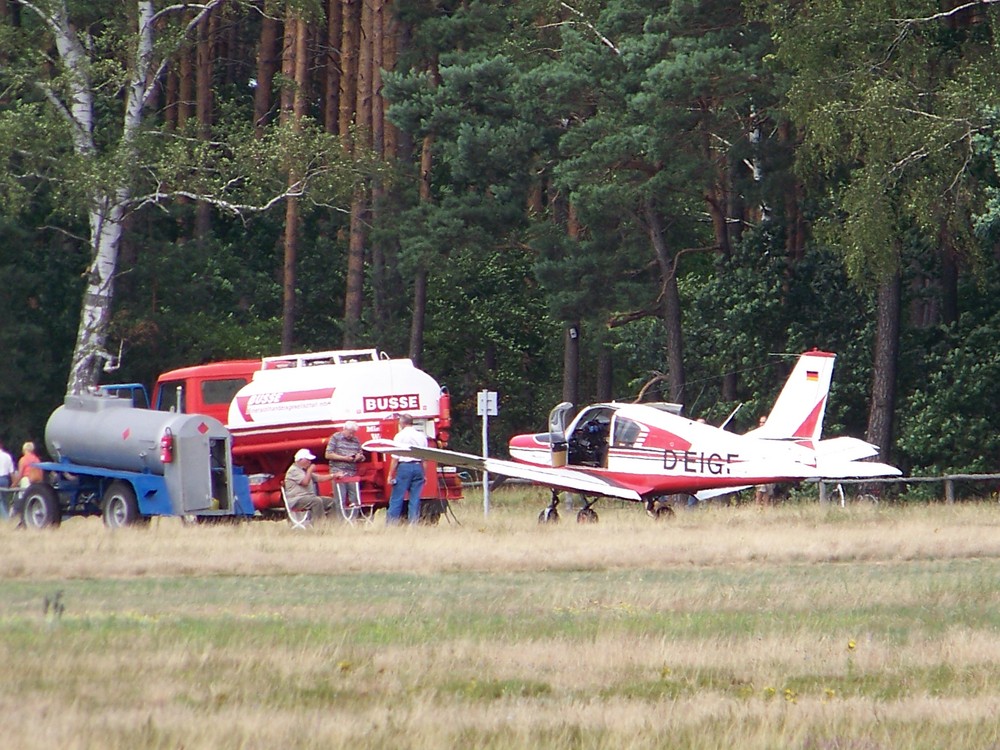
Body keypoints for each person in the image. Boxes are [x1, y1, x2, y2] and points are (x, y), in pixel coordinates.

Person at [386, 414, 428, 525]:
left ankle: (391, 524)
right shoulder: (421, 436)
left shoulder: (399, 436)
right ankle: (413, 524)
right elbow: (425, 458)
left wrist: (390, 475)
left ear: (403, 423)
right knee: (415, 499)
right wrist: (424, 474)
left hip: (404, 467)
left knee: (397, 497)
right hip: (418, 466)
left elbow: (395, 458)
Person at [283, 448, 339, 521]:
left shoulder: (304, 470)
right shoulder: (293, 470)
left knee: (331, 502)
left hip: (308, 498)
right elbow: (305, 482)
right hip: (297, 500)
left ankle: (333, 524)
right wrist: (310, 470)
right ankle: (320, 526)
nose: (310, 462)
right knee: (316, 501)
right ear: (300, 460)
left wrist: (333, 475)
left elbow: (319, 478)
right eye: (308, 460)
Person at [325, 421, 364, 509]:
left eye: (353, 433)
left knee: (355, 500)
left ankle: (353, 519)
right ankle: (341, 519)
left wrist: (359, 457)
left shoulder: (356, 440)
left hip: (352, 473)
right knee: (340, 499)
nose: (351, 435)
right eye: (350, 433)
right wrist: (344, 458)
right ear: (344, 429)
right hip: (338, 472)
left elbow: (361, 454)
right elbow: (328, 454)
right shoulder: (335, 437)